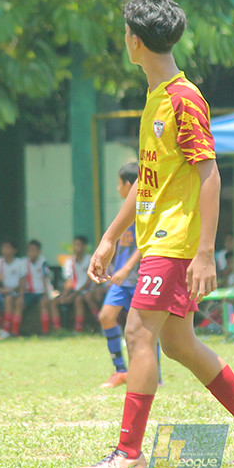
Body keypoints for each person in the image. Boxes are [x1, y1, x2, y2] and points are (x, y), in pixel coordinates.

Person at [74, 0, 234, 468]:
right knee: (178, 344)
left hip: (176, 242)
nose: (124, 38)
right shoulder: (154, 99)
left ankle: (128, 452)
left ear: (136, 41)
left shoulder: (184, 99)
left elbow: (209, 174)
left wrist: (205, 253)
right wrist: (110, 237)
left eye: (126, 31)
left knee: (136, 332)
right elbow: (149, 181)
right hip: (157, 239)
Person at [97, 163, 143, 389]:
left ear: (129, 184)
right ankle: (121, 370)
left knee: (144, 328)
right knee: (106, 316)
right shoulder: (124, 210)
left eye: (119, 183)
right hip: (120, 281)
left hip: (139, 279)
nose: (117, 188)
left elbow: (145, 244)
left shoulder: (143, 210)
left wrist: (126, 269)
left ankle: (154, 374)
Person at [52, 236, 93, 333]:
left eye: (78, 245)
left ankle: (78, 329)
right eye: (74, 245)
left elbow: (88, 282)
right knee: (54, 302)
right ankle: (58, 329)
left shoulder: (90, 260)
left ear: (84, 246)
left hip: (86, 290)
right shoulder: (69, 262)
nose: (76, 247)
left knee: (78, 300)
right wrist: (64, 295)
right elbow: (69, 281)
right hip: (73, 290)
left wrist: (74, 295)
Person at [19, 240, 55, 335]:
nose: (32, 252)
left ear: (39, 251)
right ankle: (13, 332)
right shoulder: (24, 262)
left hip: (41, 292)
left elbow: (44, 278)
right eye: (30, 250)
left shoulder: (43, 262)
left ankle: (45, 331)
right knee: (18, 306)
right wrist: (21, 296)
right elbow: (23, 280)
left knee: (43, 305)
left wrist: (46, 294)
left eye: (35, 250)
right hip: (29, 292)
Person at [0, 239, 26, 339]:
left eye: (8, 248)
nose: (5, 250)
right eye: (3, 247)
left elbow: (22, 280)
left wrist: (21, 295)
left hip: (14, 292)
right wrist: (1, 289)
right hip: (0, 293)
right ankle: (2, 328)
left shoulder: (20, 263)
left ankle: (11, 331)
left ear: (14, 250)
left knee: (13, 301)